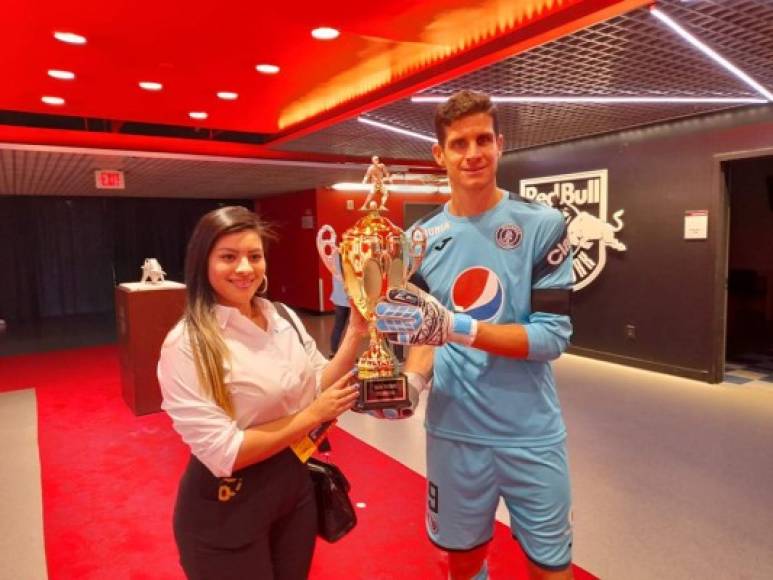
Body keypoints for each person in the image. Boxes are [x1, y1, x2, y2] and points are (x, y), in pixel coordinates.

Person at [375, 90, 575, 580]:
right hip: (454, 433)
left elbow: (551, 338)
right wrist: (412, 384)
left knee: (552, 569)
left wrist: (457, 327)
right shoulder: (418, 241)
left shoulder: (543, 225)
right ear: (439, 154)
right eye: (459, 143)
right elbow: (423, 335)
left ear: (500, 144)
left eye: (483, 139)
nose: (473, 153)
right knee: (462, 564)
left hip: (531, 433)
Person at [157, 206, 366, 579]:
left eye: (254, 256)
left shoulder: (281, 316)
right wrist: (312, 415)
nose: (244, 268)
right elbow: (226, 453)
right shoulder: (188, 344)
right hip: (227, 506)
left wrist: (356, 332)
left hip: (293, 489)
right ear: (202, 263)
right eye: (228, 257)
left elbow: (317, 381)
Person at [329, 260, 351, 357]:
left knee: (338, 326)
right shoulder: (349, 257)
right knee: (351, 328)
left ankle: (333, 352)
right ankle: (346, 354)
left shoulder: (334, 257)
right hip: (350, 297)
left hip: (339, 297)